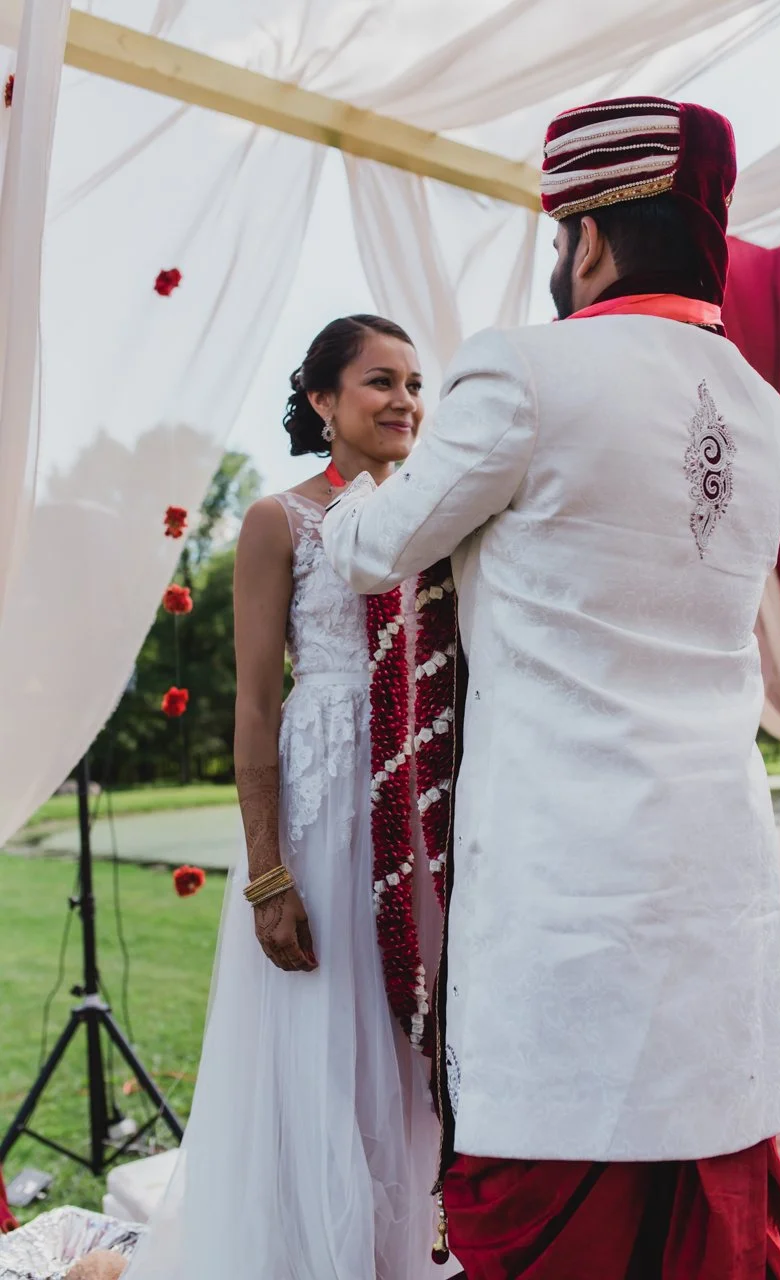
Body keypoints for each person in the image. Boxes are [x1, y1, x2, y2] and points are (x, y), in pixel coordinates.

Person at [323, 97, 780, 1279]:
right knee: (697, 1166)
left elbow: (370, 549)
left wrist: (352, 487)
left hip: (565, 876)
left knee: (561, 1186)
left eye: (558, 237)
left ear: (587, 239)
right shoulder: (777, 419)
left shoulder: (523, 371)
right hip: (714, 858)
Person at [124, 315, 457, 1280]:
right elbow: (257, 704)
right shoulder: (281, 519)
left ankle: (408, 1247)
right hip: (323, 807)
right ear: (322, 400)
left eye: (414, 384)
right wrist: (268, 873)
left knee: (414, 1034)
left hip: (422, 798)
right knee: (323, 1032)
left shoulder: (438, 519)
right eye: (379, 382)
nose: (404, 401)